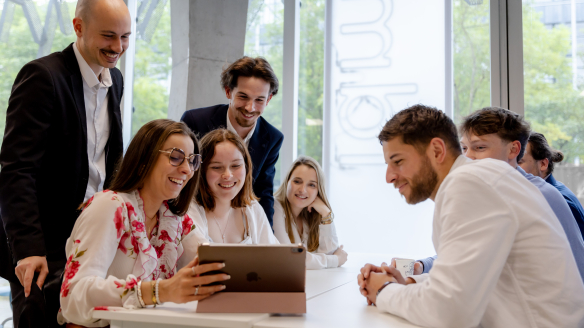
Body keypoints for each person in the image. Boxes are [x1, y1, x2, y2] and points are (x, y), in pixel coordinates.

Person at [357, 104, 584, 328]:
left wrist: (384, 291)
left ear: (437, 150)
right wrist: (407, 281)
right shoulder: (483, 177)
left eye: (398, 162)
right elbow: (471, 278)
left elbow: (449, 312)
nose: (389, 177)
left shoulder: (468, 183)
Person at [0, 0, 129, 326]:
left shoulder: (115, 80)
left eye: (125, 37)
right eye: (109, 36)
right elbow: (17, 170)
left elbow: (110, 162)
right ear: (79, 27)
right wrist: (28, 248)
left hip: (93, 239)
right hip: (43, 245)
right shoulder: (43, 76)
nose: (118, 47)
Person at [57, 119, 229, 326]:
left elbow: (218, 263)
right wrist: (159, 291)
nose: (187, 170)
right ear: (144, 160)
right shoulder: (110, 206)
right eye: (176, 157)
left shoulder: (175, 219)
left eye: (192, 161)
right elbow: (73, 296)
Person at [412, 108, 584, 283]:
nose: (468, 157)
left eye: (479, 148)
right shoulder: (495, 190)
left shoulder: (535, 196)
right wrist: (422, 266)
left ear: (513, 150)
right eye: (464, 148)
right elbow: (468, 252)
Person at [181, 57, 283, 227]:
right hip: (193, 216)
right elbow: (181, 176)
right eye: (243, 97)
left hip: (237, 222)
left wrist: (267, 243)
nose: (250, 108)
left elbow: (263, 193)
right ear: (228, 92)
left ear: (269, 99)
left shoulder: (273, 138)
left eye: (259, 100)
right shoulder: (194, 121)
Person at [184, 129, 279, 246]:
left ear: (246, 167)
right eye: (217, 167)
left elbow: (273, 255)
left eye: (236, 165)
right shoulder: (189, 210)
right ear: (201, 171)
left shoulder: (252, 208)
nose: (228, 175)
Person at [273, 156, 348, 269]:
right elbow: (291, 258)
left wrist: (326, 214)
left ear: (318, 191)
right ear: (287, 182)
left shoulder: (307, 216)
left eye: (311, 185)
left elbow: (328, 254)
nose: (302, 190)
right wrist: (336, 260)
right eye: (297, 181)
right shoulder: (274, 207)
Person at [519, 131, 584, 239]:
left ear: (543, 164)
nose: (512, 168)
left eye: (519, 162)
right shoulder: (550, 191)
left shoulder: (558, 201)